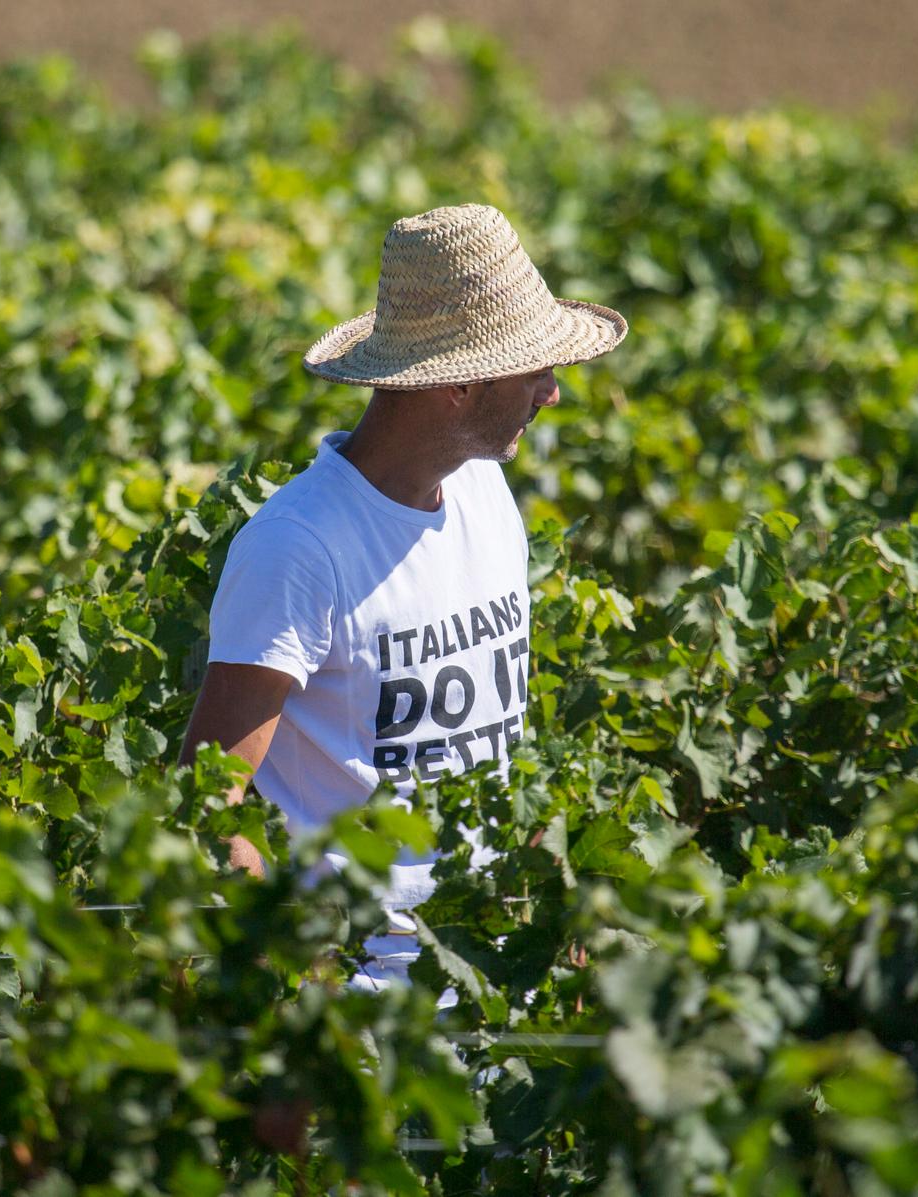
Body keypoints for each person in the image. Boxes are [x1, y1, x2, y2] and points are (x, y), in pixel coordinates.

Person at [177, 203, 627, 995]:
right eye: (534, 367)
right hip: (362, 1016)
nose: (553, 392)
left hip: (497, 993)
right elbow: (207, 805)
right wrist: (304, 999)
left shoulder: (487, 494)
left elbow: (500, 754)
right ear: (455, 383)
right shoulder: (298, 548)